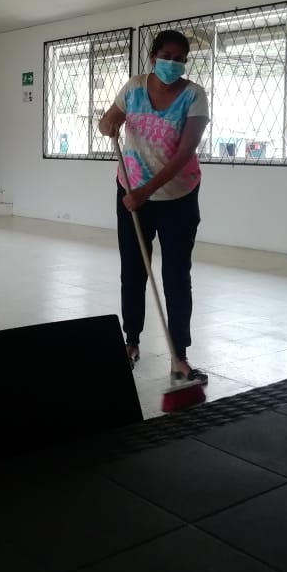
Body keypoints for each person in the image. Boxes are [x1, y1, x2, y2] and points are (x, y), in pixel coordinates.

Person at [98, 29, 210, 383]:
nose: (172, 64)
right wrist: (108, 123)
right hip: (131, 191)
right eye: (167, 57)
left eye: (180, 59)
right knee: (133, 270)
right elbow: (108, 120)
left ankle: (180, 356)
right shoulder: (134, 88)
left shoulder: (194, 96)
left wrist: (147, 191)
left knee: (176, 275)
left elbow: (185, 152)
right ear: (152, 58)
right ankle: (130, 342)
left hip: (177, 196)